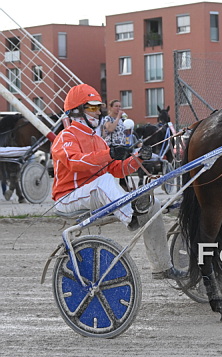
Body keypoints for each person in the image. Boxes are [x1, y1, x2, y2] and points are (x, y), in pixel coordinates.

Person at [51, 84, 185, 280]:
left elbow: (117, 170)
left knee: (153, 204)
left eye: (99, 107)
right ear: (77, 110)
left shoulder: (98, 140)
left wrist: (138, 159)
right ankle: (131, 217)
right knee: (104, 181)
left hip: (94, 195)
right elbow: (75, 163)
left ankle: (162, 267)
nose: (98, 112)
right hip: (67, 198)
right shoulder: (66, 136)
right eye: (93, 107)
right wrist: (109, 154)